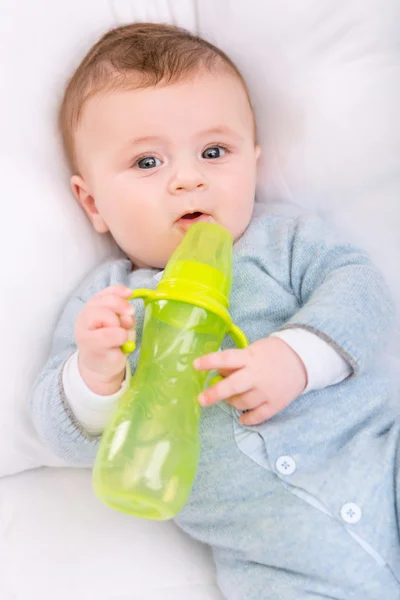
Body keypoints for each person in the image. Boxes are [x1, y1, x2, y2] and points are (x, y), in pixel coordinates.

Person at [31, 22, 400, 599]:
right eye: (147, 162)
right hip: (276, 558)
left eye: (213, 151)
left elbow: (365, 293)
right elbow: (61, 436)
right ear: (92, 201)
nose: (188, 178)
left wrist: (295, 358)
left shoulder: (284, 241)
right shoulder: (110, 303)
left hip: (381, 460)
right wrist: (93, 376)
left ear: (253, 161)